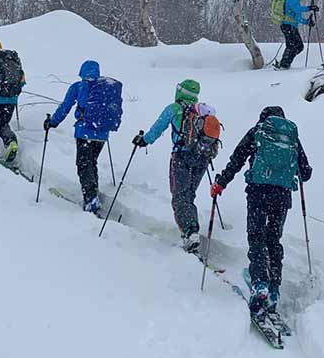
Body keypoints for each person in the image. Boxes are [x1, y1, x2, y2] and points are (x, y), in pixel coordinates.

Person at [211, 106, 312, 314]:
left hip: (258, 193)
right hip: (282, 196)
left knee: (257, 237)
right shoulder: (291, 138)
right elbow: (306, 172)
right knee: (273, 239)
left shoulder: (257, 131)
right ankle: (274, 288)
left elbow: (237, 159)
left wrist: (221, 183)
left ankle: (259, 284)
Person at [133, 79, 220, 253]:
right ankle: (191, 229)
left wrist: (144, 141)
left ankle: (190, 232)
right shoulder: (202, 112)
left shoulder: (174, 109)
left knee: (179, 197)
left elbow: (158, 128)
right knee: (189, 195)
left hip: (181, 156)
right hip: (202, 158)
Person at [46, 60, 123, 213]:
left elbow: (65, 107)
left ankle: (91, 198)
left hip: (84, 133)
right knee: (91, 162)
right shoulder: (105, 88)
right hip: (102, 134)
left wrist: (52, 122)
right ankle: (93, 192)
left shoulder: (78, 87)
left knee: (83, 165)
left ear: (82, 71)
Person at [276, 0, 318, 69]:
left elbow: (297, 17)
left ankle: (285, 63)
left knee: (299, 46)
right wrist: (309, 8)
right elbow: (297, 9)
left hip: (292, 26)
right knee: (291, 45)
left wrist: (307, 22)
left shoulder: (296, 0)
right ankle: (283, 65)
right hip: (287, 25)